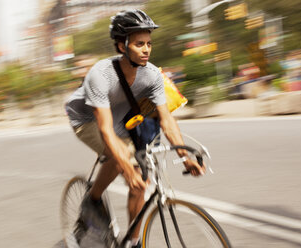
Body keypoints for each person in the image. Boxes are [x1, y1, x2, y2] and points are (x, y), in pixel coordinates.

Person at [65, 9, 205, 248]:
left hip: (121, 120)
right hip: (86, 120)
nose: (147, 49)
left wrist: (184, 156)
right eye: (139, 44)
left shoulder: (152, 75)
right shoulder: (101, 75)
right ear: (122, 46)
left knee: (140, 177)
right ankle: (93, 200)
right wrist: (127, 170)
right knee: (122, 160)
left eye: (149, 43)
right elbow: (105, 131)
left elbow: (166, 120)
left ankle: (132, 241)